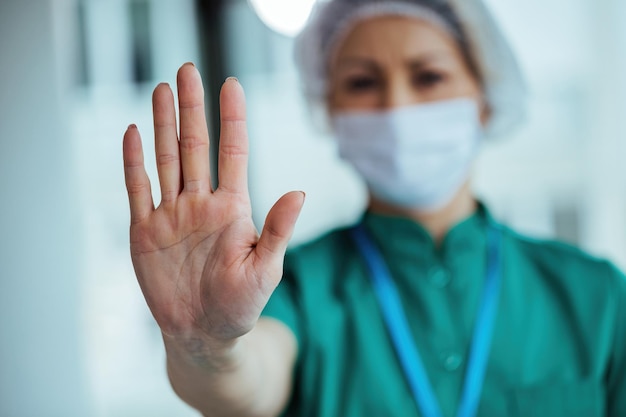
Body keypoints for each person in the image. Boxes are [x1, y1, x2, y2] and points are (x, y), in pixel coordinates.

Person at [122, 0, 626, 415]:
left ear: (486, 96)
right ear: (330, 110)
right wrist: (204, 342)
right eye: (363, 83)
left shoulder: (595, 296)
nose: (396, 106)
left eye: (428, 76)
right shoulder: (286, 284)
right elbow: (246, 386)